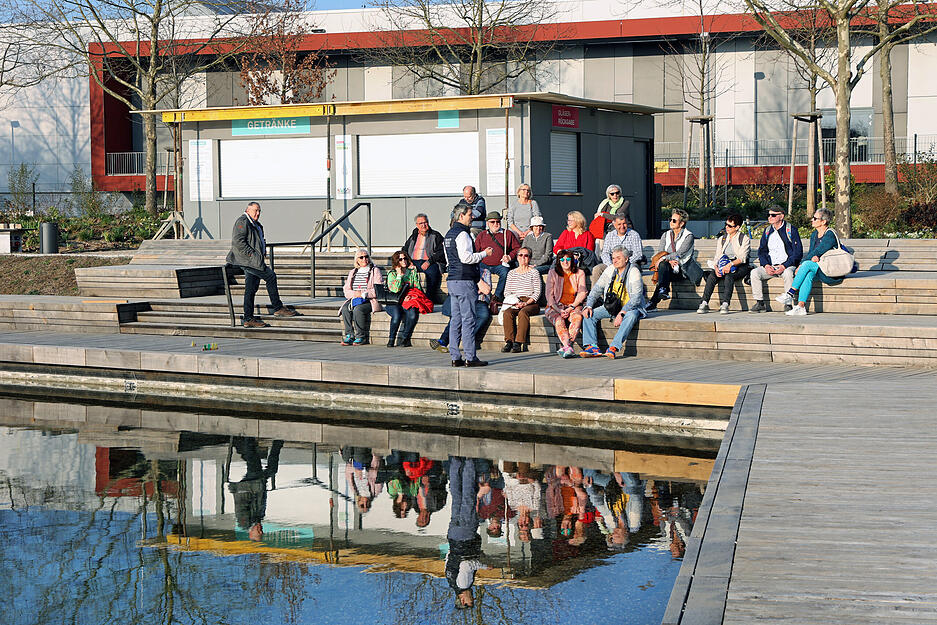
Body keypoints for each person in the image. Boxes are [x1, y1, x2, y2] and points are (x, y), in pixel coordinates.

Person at [226, 202, 298, 328]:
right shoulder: (242, 222)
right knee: (270, 276)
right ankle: (278, 307)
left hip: (254, 261)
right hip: (249, 261)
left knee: (250, 289)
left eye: (259, 211)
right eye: (255, 210)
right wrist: (253, 255)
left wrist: (261, 251)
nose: (258, 213)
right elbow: (238, 242)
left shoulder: (255, 224)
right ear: (248, 210)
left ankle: (248, 318)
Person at [444, 204, 493, 367]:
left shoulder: (449, 234)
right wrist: (484, 254)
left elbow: (449, 260)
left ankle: (455, 357)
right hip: (464, 280)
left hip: (452, 280)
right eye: (470, 214)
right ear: (461, 216)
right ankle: (470, 357)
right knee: (468, 320)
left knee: (456, 320)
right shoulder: (463, 234)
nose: (472, 217)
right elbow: (466, 258)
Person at [581, 247, 647, 358]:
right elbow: (596, 289)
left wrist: (622, 312)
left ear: (626, 259)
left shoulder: (634, 271)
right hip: (612, 306)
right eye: (613, 258)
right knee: (588, 314)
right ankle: (592, 347)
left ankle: (613, 347)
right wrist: (588, 305)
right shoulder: (610, 269)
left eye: (618, 258)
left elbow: (636, 298)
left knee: (631, 316)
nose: (615, 261)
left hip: (631, 308)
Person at [776, 208, 844, 316]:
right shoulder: (814, 235)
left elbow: (818, 251)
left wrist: (801, 265)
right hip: (818, 269)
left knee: (807, 265)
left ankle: (790, 293)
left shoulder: (830, 235)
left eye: (815, 218)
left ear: (823, 221)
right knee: (808, 274)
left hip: (832, 272)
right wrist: (808, 261)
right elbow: (812, 253)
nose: (812, 220)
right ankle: (801, 306)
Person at [445, 456, 487, 609]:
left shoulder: (464, 584)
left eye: (471, 601)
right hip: (453, 536)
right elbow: (448, 557)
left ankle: (469, 461)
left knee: (468, 496)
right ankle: (455, 463)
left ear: (462, 600)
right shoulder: (450, 580)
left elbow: (467, 565)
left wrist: (483, 565)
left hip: (466, 536)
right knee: (456, 496)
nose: (473, 597)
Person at [749, 206, 804, 313]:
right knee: (755, 273)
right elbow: (762, 251)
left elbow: (797, 253)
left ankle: (788, 304)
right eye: (769, 215)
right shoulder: (767, 231)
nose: (770, 217)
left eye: (773, 215)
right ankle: (760, 303)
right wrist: (766, 265)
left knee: (788, 274)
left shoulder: (791, 230)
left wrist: (784, 266)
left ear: (781, 216)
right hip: (771, 267)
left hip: (787, 266)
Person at [228, 437, 283, 542]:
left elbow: (241, 501)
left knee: (254, 463)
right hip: (259, 483)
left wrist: (258, 485)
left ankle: (249, 438)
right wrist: (263, 484)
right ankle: (278, 441)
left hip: (248, 484)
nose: (261, 531)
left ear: (251, 533)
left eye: (258, 533)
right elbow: (263, 497)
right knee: (272, 470)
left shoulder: (244, 522)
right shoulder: (259, 517)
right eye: (262, 532)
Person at [647, 208, 703, 310]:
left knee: (663, 271)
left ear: (681, 223)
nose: (670, 222)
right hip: (668, 268)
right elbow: (661, 252)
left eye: (674, 220)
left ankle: (654, 300)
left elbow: (680, 253)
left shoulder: (688, 236)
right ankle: (662, 291)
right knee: (663, 267)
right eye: (670, 219)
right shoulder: (666, 235)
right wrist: (669, 260)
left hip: (682, 270)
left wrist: (666, 258)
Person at [697, 214, 752, 314]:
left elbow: (742, 258)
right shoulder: (722, 239)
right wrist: (716, 267)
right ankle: (704, 302)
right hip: (723, 263)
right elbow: (718, 256)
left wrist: (730, 265)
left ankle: (725, 304)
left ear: (737, 227)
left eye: (730, 226)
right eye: (726, 224)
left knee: (729, 276)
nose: (727, 227)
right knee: (712, 276)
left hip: (739, 265)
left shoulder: (744, 239)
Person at [430, 267, 492, 353]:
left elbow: (487, 290)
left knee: (484, 315)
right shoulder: (462, 271)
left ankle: (468, 337)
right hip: (465, 299)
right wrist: (475, 289)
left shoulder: (485, 272)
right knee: (457, 317)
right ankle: (442, 341)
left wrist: (475, 279)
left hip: (480, 301)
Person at [545, 249, 587, 358]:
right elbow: (549, 295)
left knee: (577, 317)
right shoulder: (553, 273)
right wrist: (558, 310)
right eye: (562, 260)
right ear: (558, 261)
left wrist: (570, 308)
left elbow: (582, 293)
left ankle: (566, 346)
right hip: (555, 306)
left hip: (573, 305)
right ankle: (567, 346)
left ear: (572, 260)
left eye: (568, 259)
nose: (565, 262)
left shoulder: (579, 273)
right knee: (559, 320)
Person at [500, 246, 542, 353]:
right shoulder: (511, 273)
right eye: (521, 255)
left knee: (523, 313)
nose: (523, 257)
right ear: (517, 257)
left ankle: (518, 342)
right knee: (507, 313)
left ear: (529, 258)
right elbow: (506, 292)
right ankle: (509, 341)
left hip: (530, 302)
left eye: (526, 255)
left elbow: (537, 292)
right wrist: (516, 302)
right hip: (515, 301)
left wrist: (526, 303)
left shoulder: (534, 272)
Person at [339, 248, 383, 345]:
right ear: (357, 260)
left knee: (358, 309)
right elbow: (346, 290)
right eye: (361, 257)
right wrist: (355, 294)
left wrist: (363, 294)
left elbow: (378, 290)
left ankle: (360, 336)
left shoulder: (375, 271)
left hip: (369, 300)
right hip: (354, 299)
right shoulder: (353, 272)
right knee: (345, 308)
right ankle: (349, 335)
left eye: (366, 256)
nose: (364, 259)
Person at [475, 211, 520, 302]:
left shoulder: (507, 234)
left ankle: (497, 297)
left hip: (500, 265)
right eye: (492, 222)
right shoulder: (481, 235)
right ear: (487, 223)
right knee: (474, 271)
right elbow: (475, 251)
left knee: (505, 273)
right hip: (484, 264)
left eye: (498, 221)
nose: (496, 224)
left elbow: (517, 249)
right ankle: (482, 297)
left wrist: (510, 257)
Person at [402, 213, 446, 303]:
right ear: (417, 225)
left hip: (429, 261)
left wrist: (429, 262)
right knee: (403, 272)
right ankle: (407, 297)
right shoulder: (413, 236)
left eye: (425, 222)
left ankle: (429, 299)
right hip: (413, 261)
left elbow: (441, 252)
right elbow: (404, 249)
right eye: (421, 223)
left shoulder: (435, 235)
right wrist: (409, 262)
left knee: (433, 272)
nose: (424, 225)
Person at [591, 213, 644, 284]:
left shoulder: (634, 235)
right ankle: (596, 291)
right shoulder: (610, 235)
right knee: (597, 269)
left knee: (631, 270)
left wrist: (624, 263)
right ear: (614, 225)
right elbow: (605, 253)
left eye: (624, 223)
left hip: (629, 263)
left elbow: (638, 254)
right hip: (613, 263)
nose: (622, 226)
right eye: (619, 224)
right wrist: (611, 265)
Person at [384, 250, 421, 347]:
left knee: (412, 315)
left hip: (408, 300)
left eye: (405, 258)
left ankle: (405, 338)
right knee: (397, 316)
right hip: (394, 302)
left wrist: (412, 296)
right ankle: (391, 339)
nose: (403, 261)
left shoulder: (411, 272)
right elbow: (395, 289)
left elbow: (417, 288)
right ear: (396, 261)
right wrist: (399, 275)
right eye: (400, 259)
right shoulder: (392, 274)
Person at [589, 184, 628, 249]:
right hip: (607, 227)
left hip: (620, 226)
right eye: (612, 194)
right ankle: (601, 253)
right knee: (599, 238)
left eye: (617, 193)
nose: (615, 195)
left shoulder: (625, 203)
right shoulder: (605, 203)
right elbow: (598, 215)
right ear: (608, 195)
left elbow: (617, 217)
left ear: (620, 193)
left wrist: (603, 214)